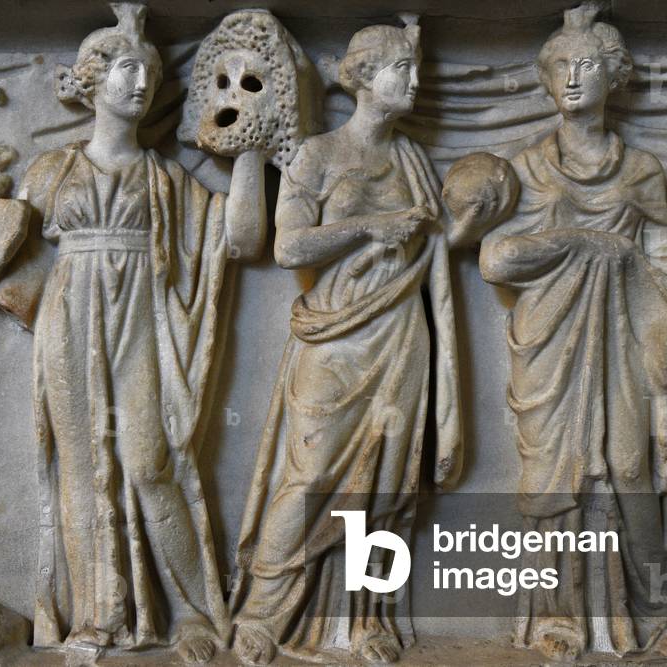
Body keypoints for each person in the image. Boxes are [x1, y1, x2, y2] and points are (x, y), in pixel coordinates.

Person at [23, 3, 266, 662]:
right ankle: (97, 616)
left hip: (141, 319)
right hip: (71, 319)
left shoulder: (167, 180)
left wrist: (252, 150)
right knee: (80, 463)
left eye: (151, 74)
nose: (140, 84)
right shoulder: (51, 172)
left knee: (149, 462)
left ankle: (192, 611)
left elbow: (240, 240)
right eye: (128, 69)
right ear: (94, 78)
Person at [232, 19, 464, 665]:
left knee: (386, 485)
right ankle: (262, 613)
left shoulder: (415, 158)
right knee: (309, 476)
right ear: (364, 74)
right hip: (334, 337)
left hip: (400, 336)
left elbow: (439, 270)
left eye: (417, 68)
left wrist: (451, 401)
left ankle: (365, 618)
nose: (415, 80)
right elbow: (289, 247)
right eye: (403, 68)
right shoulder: (319, 153)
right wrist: (371, 226)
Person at [479, 3, 667, 662]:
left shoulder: (642, 173)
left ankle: (660, 616)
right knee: (554, 475)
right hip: (550, 345)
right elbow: (495, 257)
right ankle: (560, 617)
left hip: (629, 340)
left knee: (634, 471)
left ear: (614, 76)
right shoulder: (526, 168)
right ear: (546, 80)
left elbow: (665, 264)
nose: (573, 78)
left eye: (587, 66)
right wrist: (582, 240)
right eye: (561, 67)